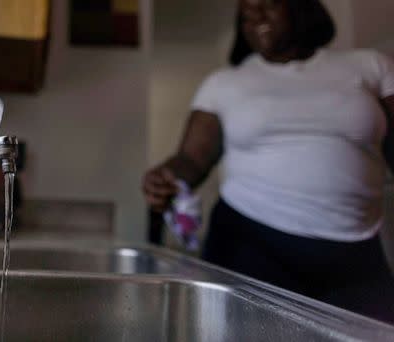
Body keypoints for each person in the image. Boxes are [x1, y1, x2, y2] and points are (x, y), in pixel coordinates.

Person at [143, 0, 394, 322]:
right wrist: (166, 177)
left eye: (267, 5)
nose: (255, 16)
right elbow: (191, 158)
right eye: (246, 12)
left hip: (355, 252)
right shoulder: (224, 83)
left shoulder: (370, 66)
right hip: (250, 243)